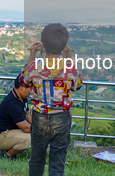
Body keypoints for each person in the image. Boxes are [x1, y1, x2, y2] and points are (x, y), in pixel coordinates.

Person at [21, 23, 82, 176]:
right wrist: (68, 58)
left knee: (36, 159)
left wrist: (32, 56)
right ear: (64, 46)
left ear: (42, 45)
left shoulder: (34, 67)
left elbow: (24, 81)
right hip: (61, 117)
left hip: (39, 118)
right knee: (57, 162)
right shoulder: (70, 68)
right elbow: (77, 86)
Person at [0, 74, 33, 159]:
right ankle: (7, 155)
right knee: (31, 138)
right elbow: (26, 128)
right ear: (22, 87)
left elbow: (27, 116)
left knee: (34, 134)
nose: (31, 92)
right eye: (30, 89)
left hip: (11, 132)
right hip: (1, 136)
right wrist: (42, 131)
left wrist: (40, 125)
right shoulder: (12, 103)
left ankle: (6, 151)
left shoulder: (22, 98)